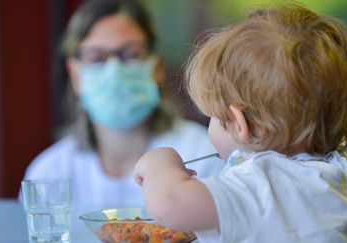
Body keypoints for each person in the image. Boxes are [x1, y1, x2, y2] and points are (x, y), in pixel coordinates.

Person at [134, 3, 347, 242]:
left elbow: (170, 203)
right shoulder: (342, 176)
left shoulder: (263, 185)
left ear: (240, 124)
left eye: (216, 118)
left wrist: (162, 162)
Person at [22, 0, 223, 216]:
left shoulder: (204, 155)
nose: (114, 71)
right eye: (96, 57)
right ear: (75, 74)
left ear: (157, 66)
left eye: (131, 54)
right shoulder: (48, 173)